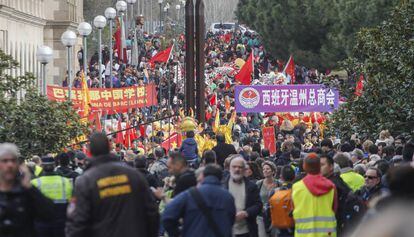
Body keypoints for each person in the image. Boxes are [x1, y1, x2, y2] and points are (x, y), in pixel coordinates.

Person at [66, 132, 159, 237]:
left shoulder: (85, 181)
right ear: (109, 147)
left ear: (89, 150)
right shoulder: (133, 175)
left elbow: (77, 222)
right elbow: (152, 211)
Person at [162, 164, 236, 237]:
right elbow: (231, 220)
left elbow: (168, 215)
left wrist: (177, 234)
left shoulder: (190, 194)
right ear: (220, 177)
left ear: (203, 176)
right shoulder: (228, 197)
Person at [0, 143, 54, 237]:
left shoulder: (26, 190)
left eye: (13, 160)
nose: (9, 165)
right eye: (5, 161)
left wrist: (29, 188)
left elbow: (49, 214)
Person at [292, 153, 337, 237]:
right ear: (319, 167)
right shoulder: (331, 186)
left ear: (304, 167)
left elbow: (293, 208)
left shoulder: (297, 187)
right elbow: (334, 209)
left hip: (304, 233)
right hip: (327, 233)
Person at [31, 156, 73, 237]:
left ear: (42, 166)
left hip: (41, 227)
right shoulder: (66, 181)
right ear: (54, 166)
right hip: (61, 226)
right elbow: (72, 205)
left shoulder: (34, 183)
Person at [224, 156, 263, 237]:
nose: (237, 169)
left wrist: (246, 213)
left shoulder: (252, 186)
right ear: (229, 168)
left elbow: (258, 205)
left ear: (244, 170)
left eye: (240, 167)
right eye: (234, 167)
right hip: (228, 230)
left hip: (247, 231)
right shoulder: (222, 186)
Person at [268, 165, 296, 237]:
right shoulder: (297, 191)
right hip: (295, 229)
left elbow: (268, 211)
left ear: (281, 177)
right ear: (294, 176)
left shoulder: (274, 192)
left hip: (279, 230)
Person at [256, 161, 279, 237]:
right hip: (262, 216)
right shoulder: (259, 184)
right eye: (264, 169)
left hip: (276, 216)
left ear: (273, 171)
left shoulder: (279, 184)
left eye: (267, 169)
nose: (265, 170)